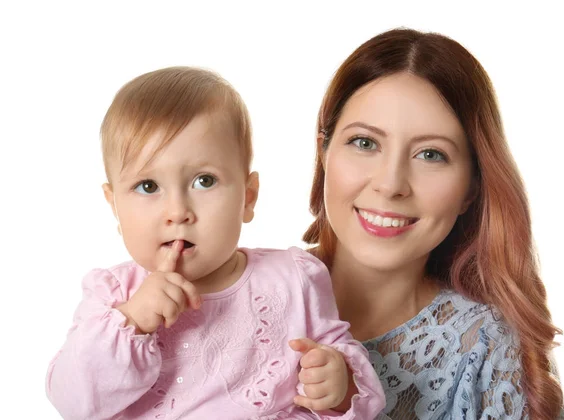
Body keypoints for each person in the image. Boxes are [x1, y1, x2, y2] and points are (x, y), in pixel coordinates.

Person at [45, 66, 385, 420]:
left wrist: (339, 383)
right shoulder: (114, 295)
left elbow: (354, 384)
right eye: (148, 186)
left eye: (204, 181)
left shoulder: (295, 277)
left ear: (247, 198)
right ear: (114, 205)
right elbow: (72, 402)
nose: (177, 212)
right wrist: (133, 321)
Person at [303, 28, 564, 420]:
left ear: (471, 188)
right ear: (324, 149)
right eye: (364, 143)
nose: (390, 184)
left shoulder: (488, 349)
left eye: (431, 154)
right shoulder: (248, 291)